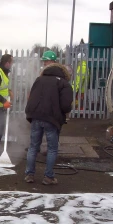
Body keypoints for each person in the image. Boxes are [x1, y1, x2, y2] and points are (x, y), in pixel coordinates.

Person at [23, 51, 74, 185]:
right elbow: (66, 105)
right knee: (52, 148)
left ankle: (29, 174)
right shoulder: (63, 83)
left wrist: (30, 114)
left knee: (33, 146)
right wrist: (65, 113)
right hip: (51, 119)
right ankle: (48, 177)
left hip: (36, 117)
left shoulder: (39, 80)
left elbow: (31, 98)